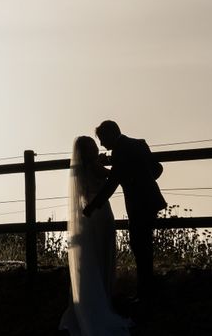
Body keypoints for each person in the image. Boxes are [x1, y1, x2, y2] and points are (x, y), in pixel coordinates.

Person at [84, 120, 166, 304]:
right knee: (143, 246)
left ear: (111, 134)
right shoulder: (138, 143)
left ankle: (145, 293)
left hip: (139, 203)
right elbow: (157, 169)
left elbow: (111, 184)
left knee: (140, 247)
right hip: (151, 200)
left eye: (102, 139)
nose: (102, 144)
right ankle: (146, 291)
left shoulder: (120, 152)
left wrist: (92, 206)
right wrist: (142, 177)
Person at [60, 136, 132, 336]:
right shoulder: (94, 166)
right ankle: (104, 300)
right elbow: (115, 176)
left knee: (91, 258)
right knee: (103, 255)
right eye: (93, 145)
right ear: (89, 150)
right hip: (101, 213)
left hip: (88, 216)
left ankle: (89, 300)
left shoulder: (78, 171)